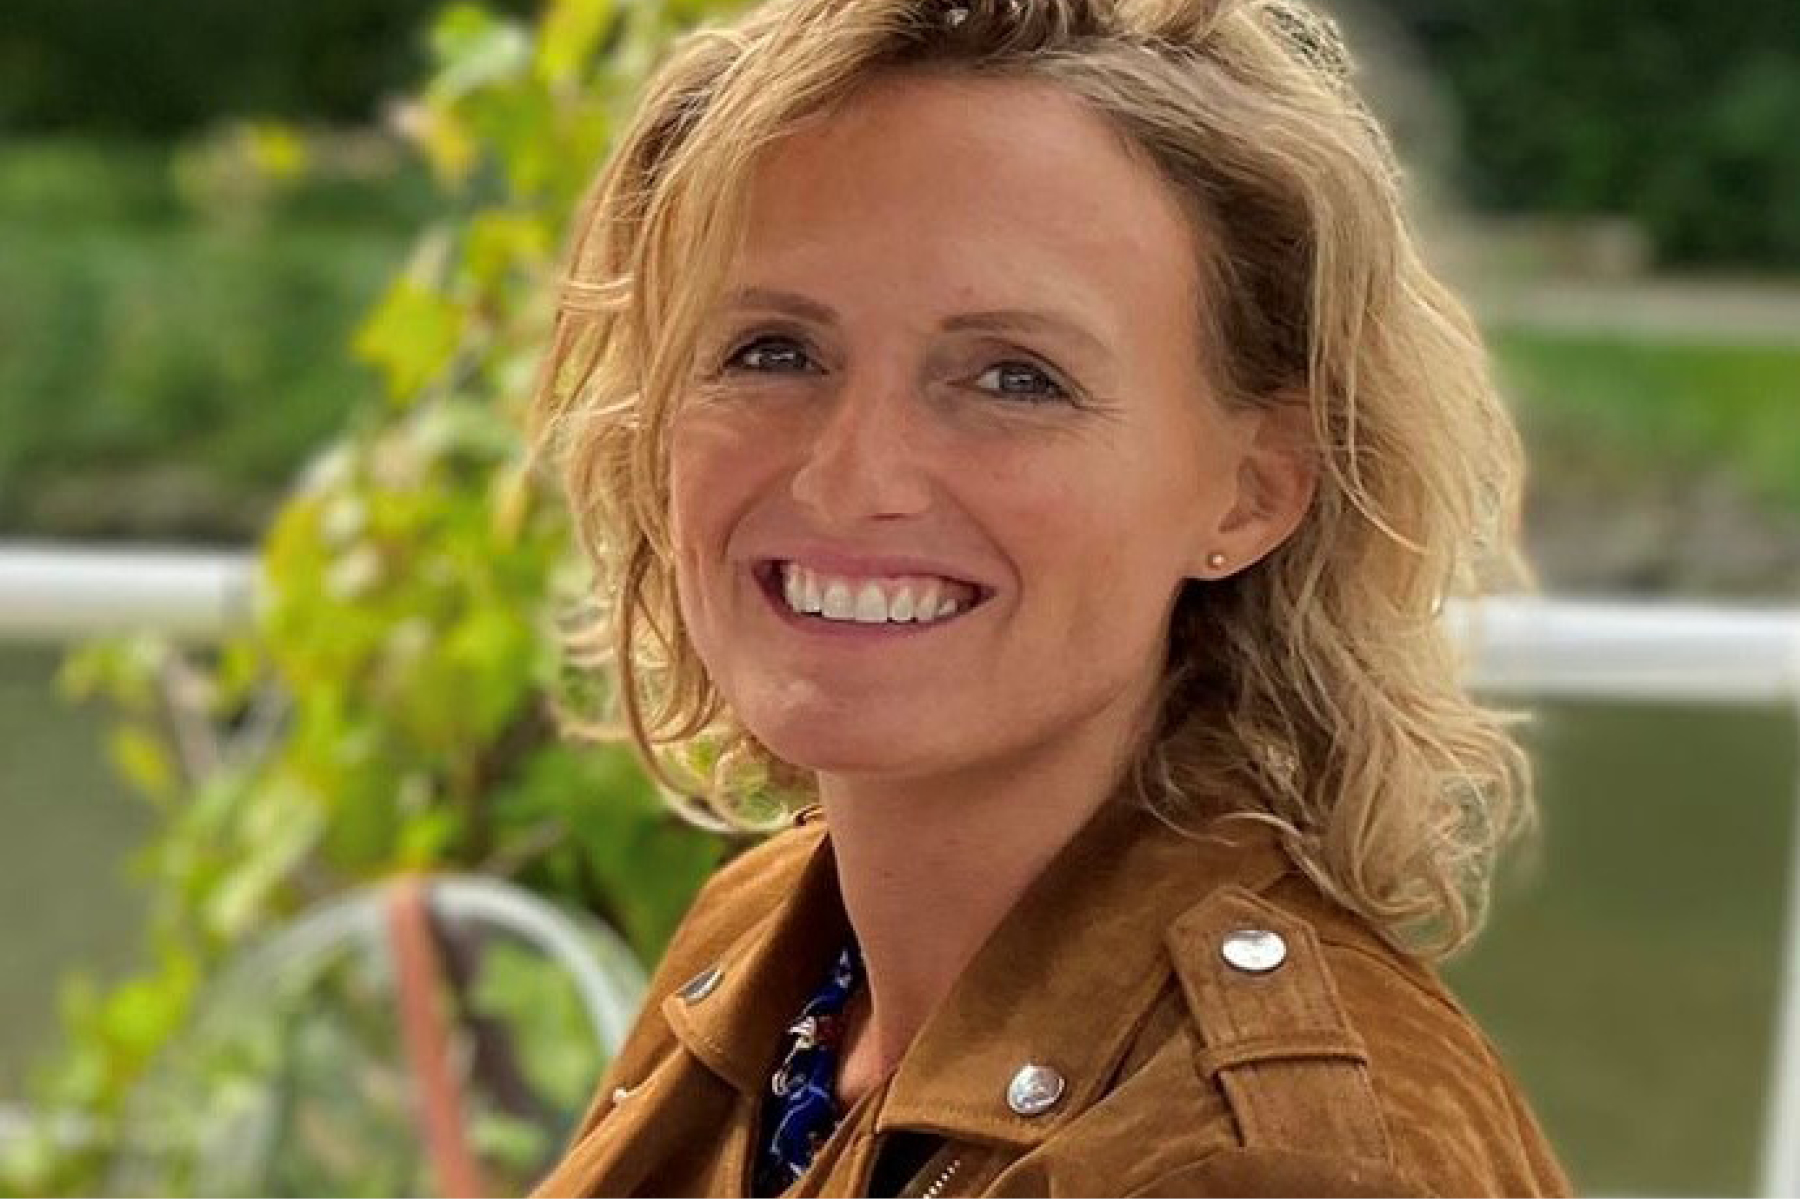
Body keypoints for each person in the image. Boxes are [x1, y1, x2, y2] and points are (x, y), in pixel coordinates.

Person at [527, 0, 1571, 1194]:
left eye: (1015, 379)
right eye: (772, 351)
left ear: (1254, 492)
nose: (850, 479)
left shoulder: (1273, 1159)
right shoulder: (771, 946)